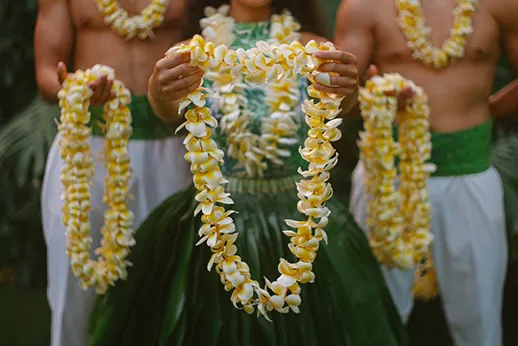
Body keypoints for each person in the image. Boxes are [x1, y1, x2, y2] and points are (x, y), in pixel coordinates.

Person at [87, 0, 409, 345]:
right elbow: (165, 110)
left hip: (299, 218)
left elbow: (337, 104)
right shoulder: (191, 51)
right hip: (216, 221)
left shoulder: (313, 47)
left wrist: (345, 90)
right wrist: (158, 88)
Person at [335, 0, 518, 345]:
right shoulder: (363, 6)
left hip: (470, 174)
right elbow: (338, 99)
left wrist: (485, 110)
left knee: (479, 318)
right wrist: (377, 97)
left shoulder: (500, 4)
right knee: (375, 314)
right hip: (385, 176)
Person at [34, 1, 192, 345]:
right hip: (85, 147)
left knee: (167, 287)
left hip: (169, 143)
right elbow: (46, 70)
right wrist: (68, 89)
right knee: (76, 289)